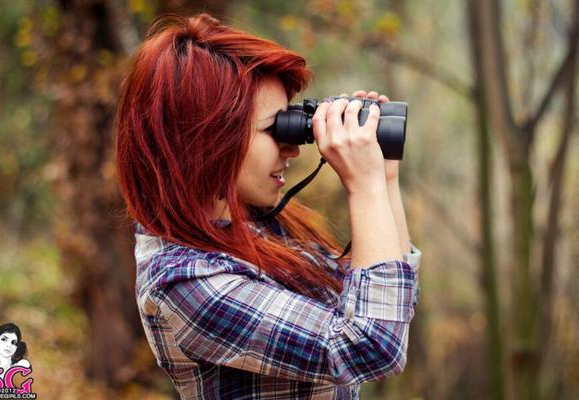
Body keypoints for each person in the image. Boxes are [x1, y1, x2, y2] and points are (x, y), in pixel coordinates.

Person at [115, 13, 421, 399]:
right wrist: (366, 188)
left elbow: (390, 301)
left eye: (288, 124)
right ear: (209, 138)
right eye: (272, 129)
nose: (292, 148)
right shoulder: (183, 282)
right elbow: (371, 346)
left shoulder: (254, 224)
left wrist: (385, 179)